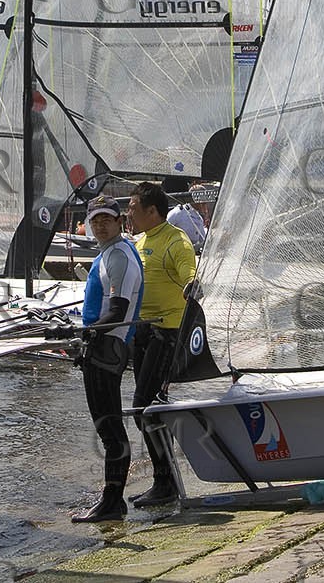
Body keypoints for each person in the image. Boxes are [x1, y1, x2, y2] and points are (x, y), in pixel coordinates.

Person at [73, 194, 143, 523]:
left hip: (108, 347)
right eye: (94, 220)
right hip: (98, 346)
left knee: (110, 429)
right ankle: (112, 499)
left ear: (119, 222)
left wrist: (88, 335)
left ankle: (112, 501)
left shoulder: (118, 256)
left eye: (106, 219)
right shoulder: (107, 253)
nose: (99, 225)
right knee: (107, 428)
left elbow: (117, 312)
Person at [127, 180, 197, 508]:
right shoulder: (140, 241)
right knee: (147, 409)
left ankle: (165, 482)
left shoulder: (176, 240)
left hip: (167, 334)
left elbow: (189, 272)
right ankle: (164, 479)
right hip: (141, 332)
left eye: (132, 208)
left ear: (152, 211)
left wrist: (192, 284)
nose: (129, 213)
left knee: (145, 406)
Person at [161, 175, 207, 251]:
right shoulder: (178, 213)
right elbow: (163, 231)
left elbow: (202, 239)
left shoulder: (199, 218)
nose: (204, 203)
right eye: (202, 201)